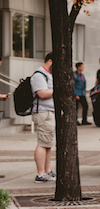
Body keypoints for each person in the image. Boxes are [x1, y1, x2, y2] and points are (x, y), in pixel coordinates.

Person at [32, 53, 55, 183]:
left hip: (49, 112)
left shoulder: (47, 75)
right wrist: (57, 89)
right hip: (43, 113)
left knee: (48, 143)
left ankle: (47, 171)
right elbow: (42, 93)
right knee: (42, 143)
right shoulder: (39, 75)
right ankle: (40, 173)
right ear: (50, 61)